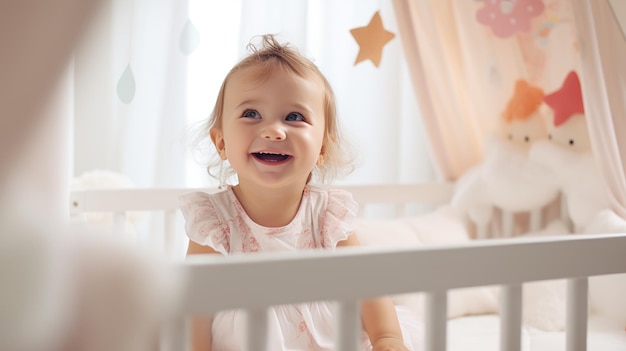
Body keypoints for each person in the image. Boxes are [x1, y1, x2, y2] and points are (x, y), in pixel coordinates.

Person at [180, 34, 422, 351]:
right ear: (221, 142)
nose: (273, 130)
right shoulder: (214, 221)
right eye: (251, 113)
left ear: (321, 147)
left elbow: (368, 285)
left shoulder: (327, 213)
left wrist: (387, 338)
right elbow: (195, 310)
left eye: (294, 117)